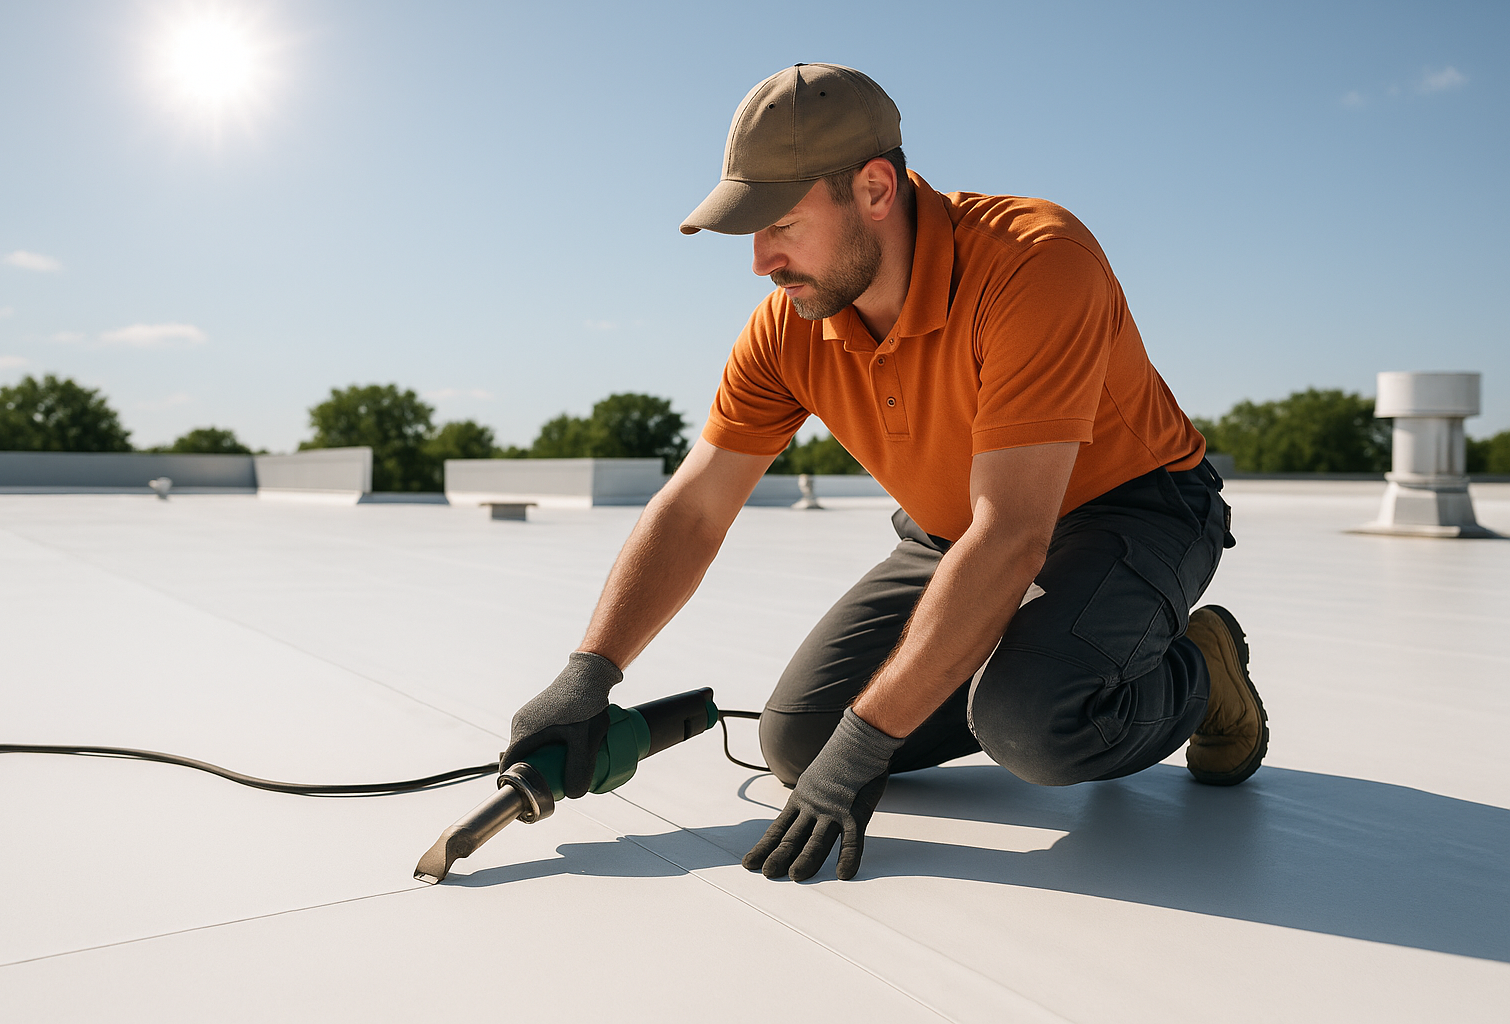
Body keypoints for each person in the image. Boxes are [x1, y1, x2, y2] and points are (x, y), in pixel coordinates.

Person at [500, 63, 1269, 883]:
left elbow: (1013, 535)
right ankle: (1011, 658)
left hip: (1130, 513)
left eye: (782, 225)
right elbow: (695, 508)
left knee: (1033, 725)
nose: (761, 261)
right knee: (797, 741)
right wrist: (590, 672)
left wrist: (870, 742)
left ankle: (1198, 666)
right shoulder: (789, 326)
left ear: (873, 188)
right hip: (952, 535)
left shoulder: (1034, 264)